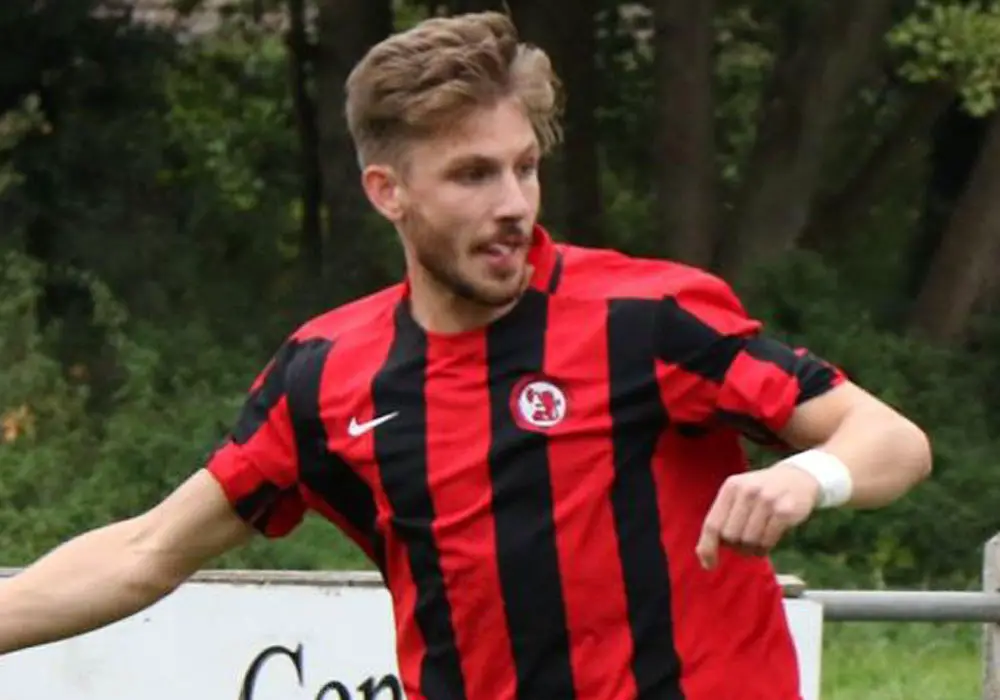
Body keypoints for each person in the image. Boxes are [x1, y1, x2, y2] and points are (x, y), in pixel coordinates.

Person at [0, 11, 931, 700]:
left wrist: (811, 477)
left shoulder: (646, 317)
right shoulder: (325, 375)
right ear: (386, 192)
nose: (515, 202)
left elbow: (888, 439)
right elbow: (143, 551)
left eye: (524, 166)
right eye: (473, 174)